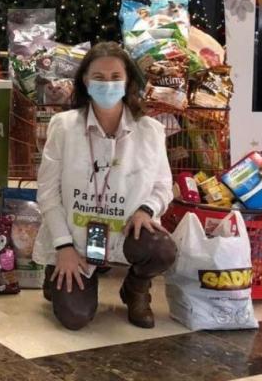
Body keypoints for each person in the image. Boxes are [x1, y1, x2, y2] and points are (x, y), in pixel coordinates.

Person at [33, 42, 177, 330]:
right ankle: (57, 274)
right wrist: (63, 247)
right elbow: (47, 192)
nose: (107, 84)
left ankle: (135, 289)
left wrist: (146, 210)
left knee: (162, 249)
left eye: (115, 77)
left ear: (128, 81)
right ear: (85, 81)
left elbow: (163, 185)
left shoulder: (150, 130)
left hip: (124, 231)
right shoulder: (63, 127)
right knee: (74, 318)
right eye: (98, 77)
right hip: (75, 238)